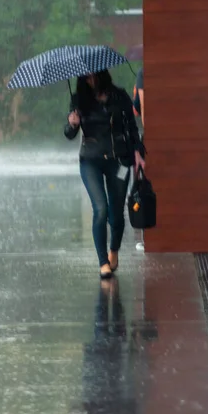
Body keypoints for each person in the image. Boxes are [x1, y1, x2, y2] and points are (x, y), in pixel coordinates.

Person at [64, 70, 145, 279]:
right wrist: (72, 124)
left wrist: (138, 153)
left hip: (119, 160)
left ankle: (114, 250)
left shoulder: (120, 96)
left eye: (94, 76)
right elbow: (70, 134)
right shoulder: (79, 100)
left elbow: (132, 128)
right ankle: (103, 262)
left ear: (102, 74)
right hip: (90, 160)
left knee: (116, 214)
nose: (90, 80)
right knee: (100, 208)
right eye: (86, 77)